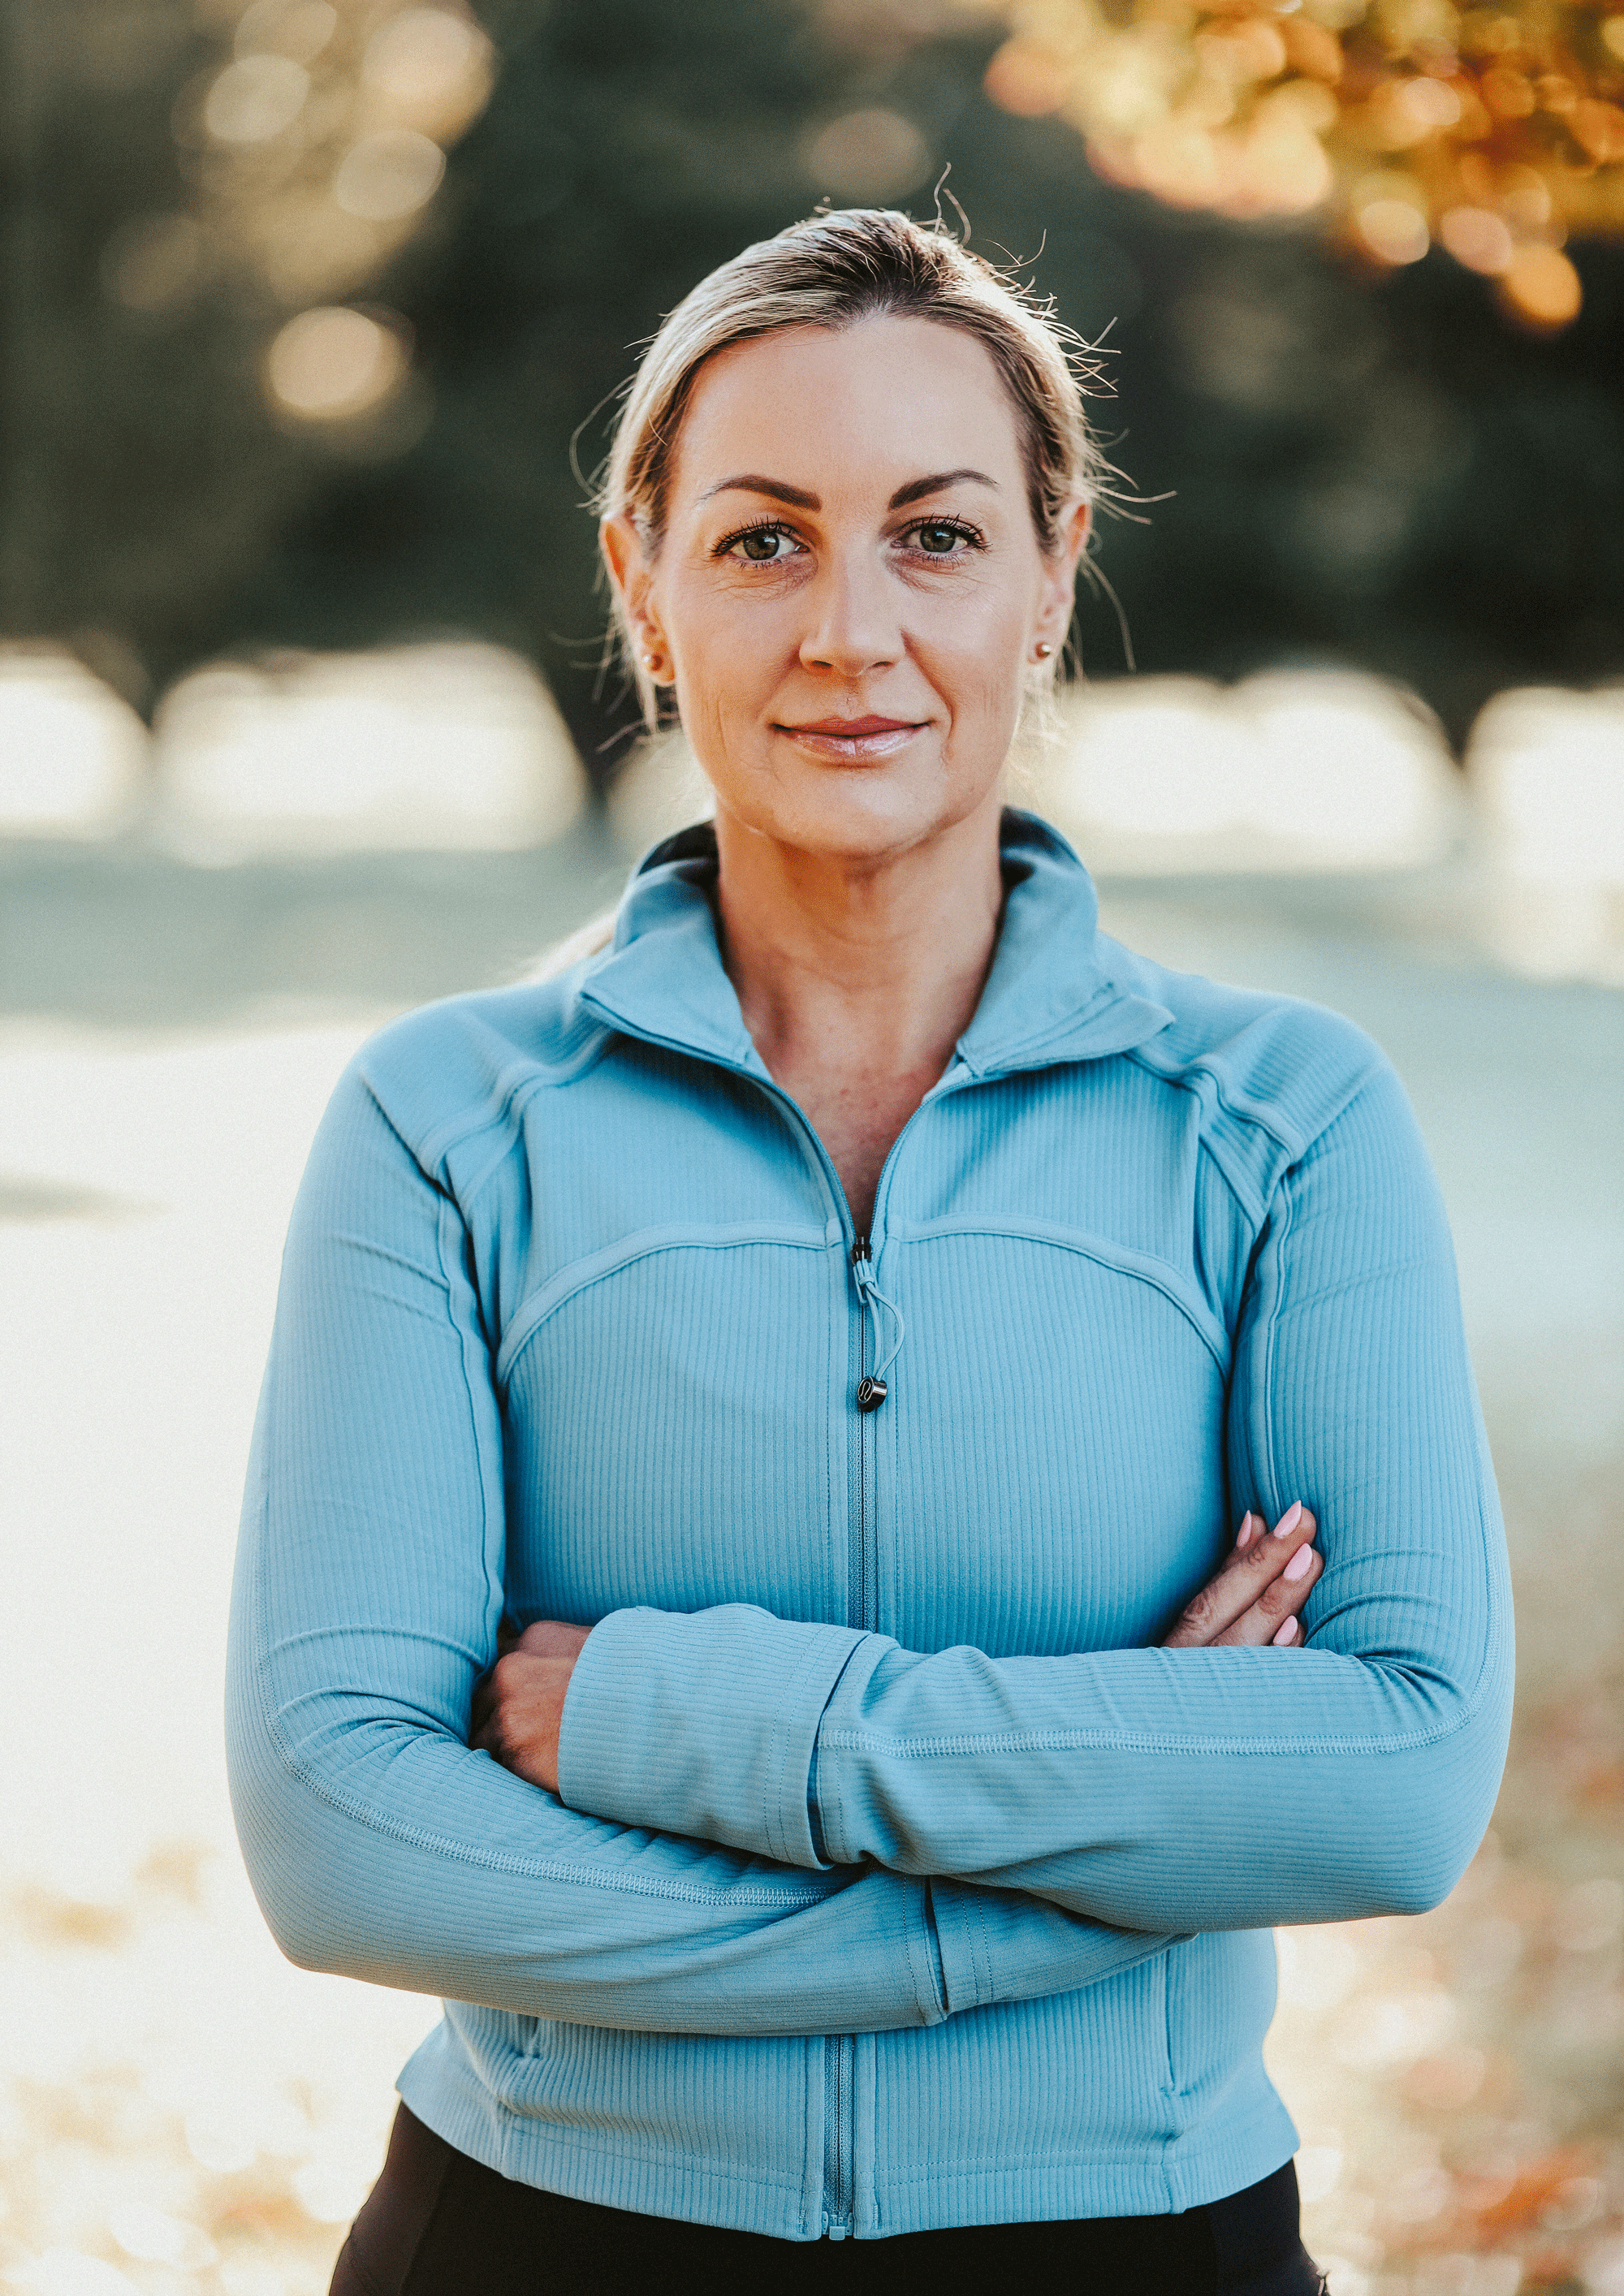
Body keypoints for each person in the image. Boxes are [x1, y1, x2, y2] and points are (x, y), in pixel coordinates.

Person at [225, 209, 1513, 2295]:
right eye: (760, 540)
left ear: (1046, 576)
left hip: (1138, 2243)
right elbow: (344, 1826)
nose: (848, 629)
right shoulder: (441, 1127)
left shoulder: (1282, 1122)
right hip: (544, 2242)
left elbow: (1394, 1771)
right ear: (642, 584)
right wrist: (1078, 1860)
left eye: (933, 533)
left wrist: (677, 1715)